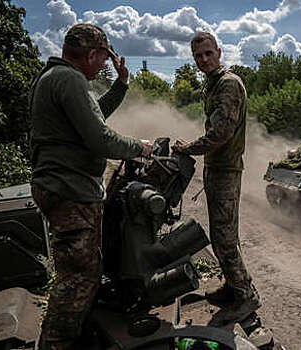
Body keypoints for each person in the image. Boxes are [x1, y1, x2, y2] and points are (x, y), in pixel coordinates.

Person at [29, 23, 153, 349]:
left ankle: (78, 334)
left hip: (63, 187)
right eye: (102, 59)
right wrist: (138, 147)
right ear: (92, 54)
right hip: (69, 190)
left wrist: (122, 84)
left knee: (85, 269)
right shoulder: (70, 79)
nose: (103, 67)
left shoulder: (55, 77)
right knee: (77, 278)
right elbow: (99, 137)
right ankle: (56, 343)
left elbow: (93, 116)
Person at [172, 31, 260, 325]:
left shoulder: (228, 84)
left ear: (219, 53)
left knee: (224, 238)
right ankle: (232, 287)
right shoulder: (212, 85)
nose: (203, 60)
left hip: (225, 169)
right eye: (198, 56)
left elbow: (221, 132)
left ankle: (246, 296)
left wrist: (190, 148)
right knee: (221, 234)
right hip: (217, 168)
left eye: (209, 53)